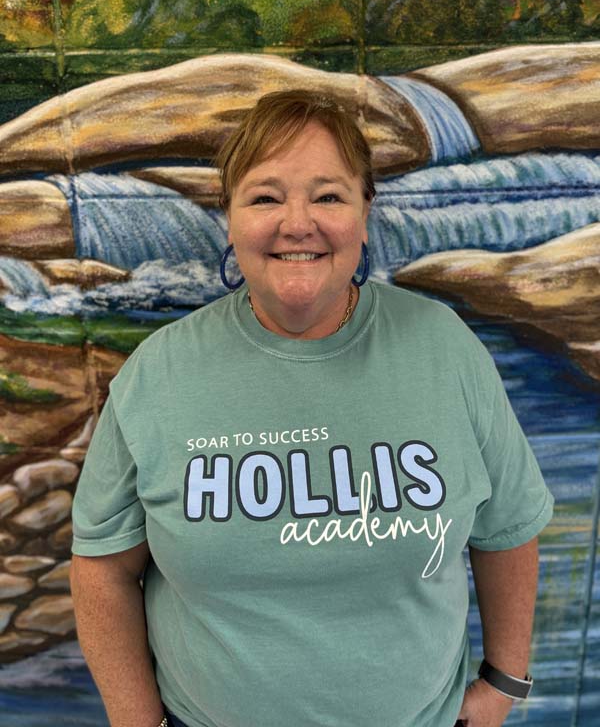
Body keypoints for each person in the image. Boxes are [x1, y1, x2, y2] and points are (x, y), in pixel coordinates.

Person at [70, 89, 554, 727]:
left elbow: (508, 529)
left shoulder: (445, 348)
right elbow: (102, 567)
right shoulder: (158, 373)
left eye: (327, 196)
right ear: (229, 217)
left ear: (364, 212)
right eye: (265, 198)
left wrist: (504, 683)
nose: (297, 223)